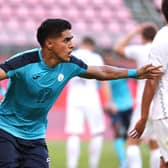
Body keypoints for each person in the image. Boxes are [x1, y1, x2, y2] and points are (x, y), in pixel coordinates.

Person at [0, 18, 162, 168]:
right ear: (49, 44)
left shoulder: (70, 64)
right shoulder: (23, 62)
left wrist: (135, 73)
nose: (72, 45)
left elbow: (102, 72)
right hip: (6, 131)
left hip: (35, 136)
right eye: (66, 40)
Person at [114, 23, 161, 168]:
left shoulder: (140, 49)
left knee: (132, 141)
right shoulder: (161, 49)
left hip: (144, 101)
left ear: (143, 36)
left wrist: (134, 31)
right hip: (161, 102)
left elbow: (118, 49)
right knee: (155, 143)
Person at [129, 0, 168, 167]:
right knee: (164, 158)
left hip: (165, 110)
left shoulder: (162, 37)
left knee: (165, 158)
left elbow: (152, 79)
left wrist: (143, 117)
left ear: (163, 13)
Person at [65, 36, 107, 168]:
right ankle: (93, 165)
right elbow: (104, 78)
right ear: (92, 46)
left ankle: (72, 165)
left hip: (74, 96)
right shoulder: (96, 57)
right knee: (97, 132)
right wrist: (108, 100)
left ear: (81, 44)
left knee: (74, 133)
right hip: (91, 97)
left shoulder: (71, 55)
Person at [102, 49, 134, 168]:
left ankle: (131, 157)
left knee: (130, 134)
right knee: (118, 133)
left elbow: (136, 79)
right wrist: (109, 102)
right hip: (115, 108)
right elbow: (104, 87)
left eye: (109, 57)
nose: (108, 60)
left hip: (128, 106)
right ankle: (123, 161)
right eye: (106, 58)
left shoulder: (121, 70)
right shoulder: (103, 72)